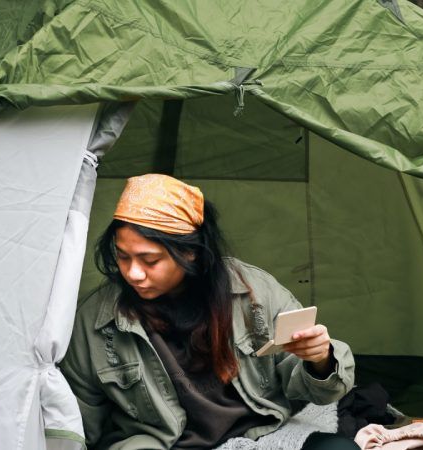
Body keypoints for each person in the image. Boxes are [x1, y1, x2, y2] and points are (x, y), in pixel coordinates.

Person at [61, 174, 356, 450]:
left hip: (258, 435)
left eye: (149, 260)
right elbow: (76, 422)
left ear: (190, 252)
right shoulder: (95, 321)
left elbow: (319, 390)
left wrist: (320, 360)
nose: (134, 273)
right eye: (123, 257)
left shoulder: (252, 291)